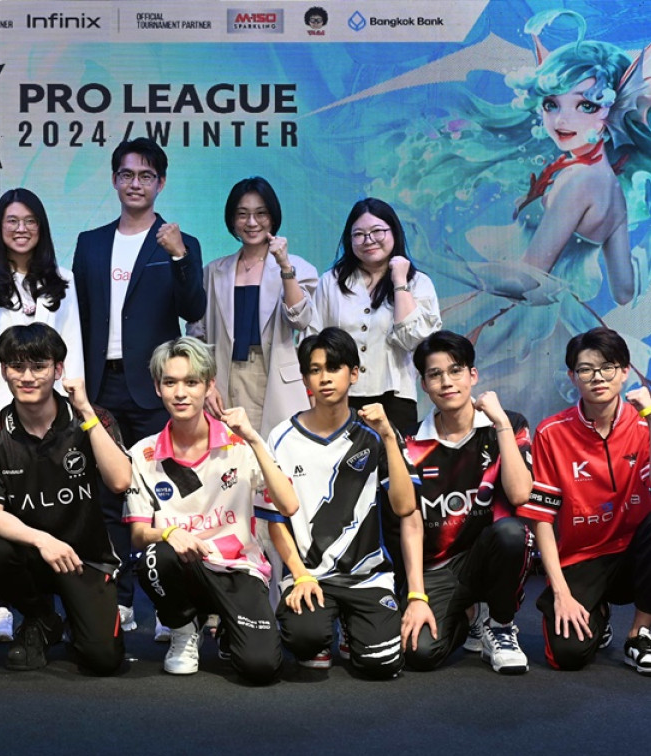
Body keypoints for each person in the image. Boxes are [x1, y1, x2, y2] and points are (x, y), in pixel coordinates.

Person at [367, 9, 651, 427]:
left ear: (612, 110)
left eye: (585, 105)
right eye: (552, 104)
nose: (562, 119)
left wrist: (443, 261)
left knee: (490, 426)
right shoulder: (604, 180)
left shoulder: (580, 181)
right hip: (558, 327)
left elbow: (529, 278)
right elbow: (624, 290)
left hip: (529, 330)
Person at [72, 137, 207, 631]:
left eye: (146, 176)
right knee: (109, 496)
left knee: (162, 493)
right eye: (127, 174)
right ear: (114, 179)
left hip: (154, 389)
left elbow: (193, 308)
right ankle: (120, 599)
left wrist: (178, 257)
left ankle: (171, 606)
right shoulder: (89, 243)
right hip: (101, 387)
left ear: (161, 183)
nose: (136, 184)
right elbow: (79, 315)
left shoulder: (180, 242)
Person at [124, 336, 299, 684]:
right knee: (155, 558)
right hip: (185, 566)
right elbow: (139, 535)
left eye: (191, 382)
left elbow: (289, 504)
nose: (180, 393)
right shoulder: (142, 453)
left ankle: (228, 629)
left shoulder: (240, 443)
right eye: (170, 383)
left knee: (260, 667)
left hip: (238, 569)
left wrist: (253, 437)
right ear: (157, 388)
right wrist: (170, 532)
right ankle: (183, 628)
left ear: (209, 385)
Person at [0, 324, 128, 674]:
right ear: (4, 371)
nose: (27, 377)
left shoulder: (94, 418)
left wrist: (86, 412)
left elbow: (120, 481)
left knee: (103, 660)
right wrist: (43, 541)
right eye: (17, 366)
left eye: (39, 366)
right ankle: (41, 617)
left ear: (58, 370)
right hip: (30, 555)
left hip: (86, 559)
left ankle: (77, 620)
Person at [0, 188, 83, 642]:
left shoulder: (63, 280)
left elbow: (71, 346)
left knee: (46, 508)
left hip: (47, 412)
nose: (20, 229)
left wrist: (76, 402)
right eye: (11, 221)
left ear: (41, 227)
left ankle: (46, 604)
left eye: (30, 220)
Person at [266, 327, 416, 679]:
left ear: (354, 373)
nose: (324, 378)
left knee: (381, 666)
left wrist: (388, 437)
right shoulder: (282, 437)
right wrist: (299, 575)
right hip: (309, 575)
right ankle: (320, 630)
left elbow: (405, 506)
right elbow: (275, 520)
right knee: (306, 643)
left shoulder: (375, 433)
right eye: (315, 370)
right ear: (305, 379)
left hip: (367, 577)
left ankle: (352, 626)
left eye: (334, 368)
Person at [400, 331, 534, 674]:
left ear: (472, 375)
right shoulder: (410, 443)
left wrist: (500, 424)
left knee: (512, 533)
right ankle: (470, 617)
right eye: (435, 374)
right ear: (424, 384)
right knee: (420, 654)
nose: (447, 382)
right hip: (439, 568)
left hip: (487, 554)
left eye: (455, 370)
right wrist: (416, 596)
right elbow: (410, 524)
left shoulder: (509, 423)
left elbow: (520, 494)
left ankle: (500, 625)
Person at [518, 327, 651, 674]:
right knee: (568, 655)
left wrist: (650, 415)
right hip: (582, 557)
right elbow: (541, 518)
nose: (598, 377)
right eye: (586, 369)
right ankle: (598, 612)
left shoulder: (644, 425)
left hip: (635, 553)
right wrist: (561, 592)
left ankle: (640, 631)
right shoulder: (551, 432)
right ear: (572, 377)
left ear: (625, 371)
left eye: (607, 367)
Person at [189, 176, 317, 439]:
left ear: (273, 217)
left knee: (275, 452)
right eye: (242, 214)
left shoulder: (298, 267)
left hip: (273, 378)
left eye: (261, 214)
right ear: (232, 220)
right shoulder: (213, 271)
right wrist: (205, 384)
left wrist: (284, 266)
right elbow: (197, 335)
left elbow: (300, 319)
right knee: (230, 453)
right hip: (224, 377)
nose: (251, 222)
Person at [311, 197, 441, 436]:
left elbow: (414, 341)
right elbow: (313, 340)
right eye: (359, 234)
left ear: (394, 232)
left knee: (394, 458)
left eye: (377, 231)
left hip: (396, 397)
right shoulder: (330, 282)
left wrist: (399, 281)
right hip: (339, 397)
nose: (368, 240)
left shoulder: (418, 283)